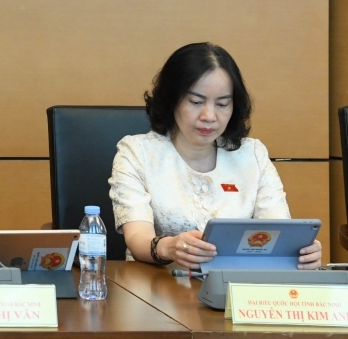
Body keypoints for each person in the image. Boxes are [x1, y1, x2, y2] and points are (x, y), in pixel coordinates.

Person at [109, 42, 321, 270]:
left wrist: (299, 252)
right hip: (156, 284)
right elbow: (138, 238)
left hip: (236, 285)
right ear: (172, 99)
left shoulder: (252, 155)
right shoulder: (137, 153)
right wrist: (169, 247)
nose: (209, 116)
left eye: (222, 104)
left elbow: (278, 233)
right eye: (196, 102)